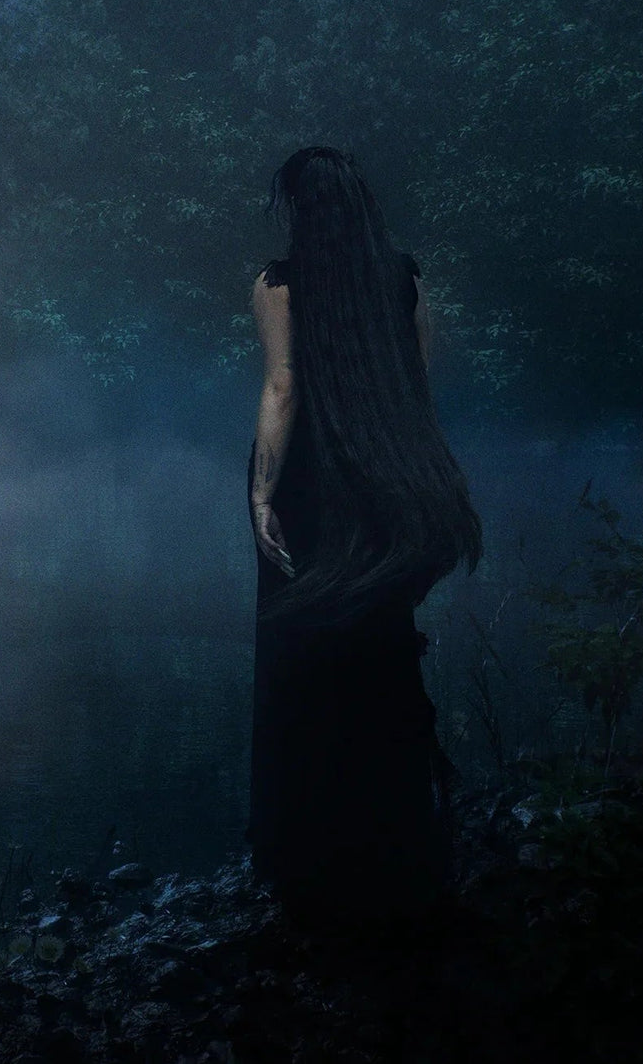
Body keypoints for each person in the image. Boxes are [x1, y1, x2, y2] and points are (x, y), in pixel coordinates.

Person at [247, 146, 481, 924]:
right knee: (381, 659)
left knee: (304, 660)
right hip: (389, 486)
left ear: (301, 209)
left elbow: (284, 386)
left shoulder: (278, 284)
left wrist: (260, 494)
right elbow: (417, 385)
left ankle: (309, 859)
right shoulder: (404, 276)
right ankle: (398, 847)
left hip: (313, 488)